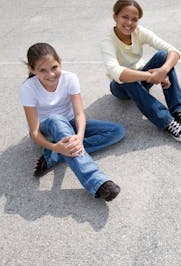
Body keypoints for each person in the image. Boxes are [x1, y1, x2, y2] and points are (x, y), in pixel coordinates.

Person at [20, 43, 125, 201]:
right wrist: (54, 146)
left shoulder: (70, 78)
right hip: (46, 130)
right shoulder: (28, 88)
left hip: (70, 125)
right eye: (42, 70)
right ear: (32, 69)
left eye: (54, 67)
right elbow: (34, 132)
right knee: (57, 119)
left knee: (117, 131)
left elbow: (79, 114)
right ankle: (97, 181)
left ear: (60, 62)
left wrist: (80, 137)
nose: (51, 74)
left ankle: (56, 156)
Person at [101, 0, 181, 142]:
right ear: (115, 17)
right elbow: (117, 72)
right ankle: (167, 121)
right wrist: (150, 76)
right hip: (120, 87)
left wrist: (163, 71)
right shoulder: (107, 41)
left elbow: (174, 51)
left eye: (134, 19)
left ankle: (179, 111)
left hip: (142, 77)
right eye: (125, 17)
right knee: (127, 77)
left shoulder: (139, 32)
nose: (129, 23)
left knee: (163, 56)